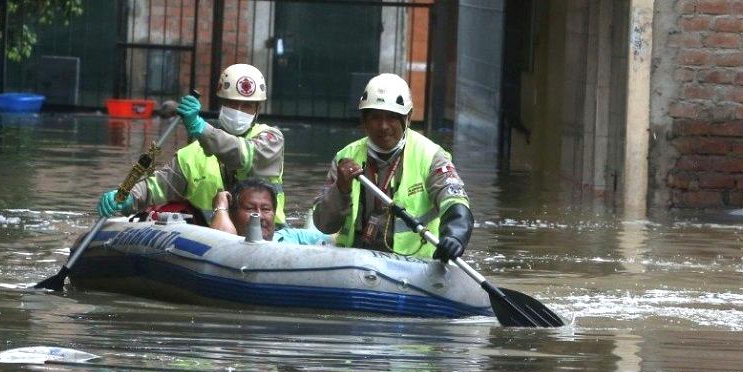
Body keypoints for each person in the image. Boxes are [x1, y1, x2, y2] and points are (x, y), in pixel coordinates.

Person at [96, 63, 288, 225]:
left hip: (266, 235)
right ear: (221, 104)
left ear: (257, 110)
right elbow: (158, 186)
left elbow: (242, 155)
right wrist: (127, 197)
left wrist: (199, 127)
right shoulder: (192, 154)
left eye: (246, 105)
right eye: (231, 104)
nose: (238, 110)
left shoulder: (270, 139)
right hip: (213, 241)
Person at [312, 73, 472, 262]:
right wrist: (341, 189)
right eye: (375, 117)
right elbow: (324, 225)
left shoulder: (431, 157)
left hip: (414, 267)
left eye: (392, 117)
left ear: (408, 118)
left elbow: (454, 202)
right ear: (363, 120)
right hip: (354, 262)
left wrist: (455, 236)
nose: (383, 126)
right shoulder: (344, 159)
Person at [210, 178, 330, 244]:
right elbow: (220, 243)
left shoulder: (289, 237)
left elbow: (335, 239)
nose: (259, 215)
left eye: (266, 209)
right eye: (250, 208)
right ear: (232, 214)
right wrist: (221, 207)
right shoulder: (232, 242)